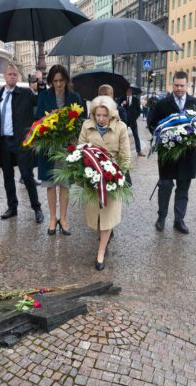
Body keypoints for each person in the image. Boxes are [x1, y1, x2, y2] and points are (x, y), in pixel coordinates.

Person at [0, 64, 44, 224]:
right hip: (3, 143)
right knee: (8, 177)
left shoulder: (25, 93)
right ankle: (12, 207)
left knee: (27, 176)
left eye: (15, 75)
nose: (12, 77)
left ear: (17, 77)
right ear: (4, 76)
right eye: (9, 74)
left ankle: (37, 208)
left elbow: (42, 100)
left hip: (21, 142)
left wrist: (40, 82)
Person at [149, 71, 196, 234]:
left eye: (182, 85)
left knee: (183, 187)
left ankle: (179, 220)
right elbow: (153, 125)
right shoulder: (162, 104)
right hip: (167, 154)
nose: (179, 88)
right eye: (176, 85)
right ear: (172, 85)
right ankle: (161, 217)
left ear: (187, 86)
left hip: (188, 155)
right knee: (165, 185)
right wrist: (162, 136)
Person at [78, 96, 131, 270]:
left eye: (104, 115)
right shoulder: (87, 126)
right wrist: (82, 174)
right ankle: (103, 238)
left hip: (111, 178)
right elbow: (80, 150)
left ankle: (100, 254)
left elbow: (125, 156)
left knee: (107, 217)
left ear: (111, 115)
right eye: (98, 114)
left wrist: (119, 175)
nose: (101, 118)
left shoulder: (121, 128)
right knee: (97, 217)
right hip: (91, 177)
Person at [35, 64, 83, 236]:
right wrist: (49, 117)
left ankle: (63, 218)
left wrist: (69, 118)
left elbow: (81, 121)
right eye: (55, 81)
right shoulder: (43, 96)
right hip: (49, 146)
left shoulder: (75, 97)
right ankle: (52, 218)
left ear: (66, 80)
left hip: (67, 146)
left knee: (64, 184)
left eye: (61, 80)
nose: (58, 84)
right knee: (50, 184)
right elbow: (37, 119)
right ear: (50, 82)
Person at [120, 87, 144, 156]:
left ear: (132, 92)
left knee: (136, 135)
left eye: (130, 91)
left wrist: (135, 117)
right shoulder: (122, 98)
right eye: (128, 91)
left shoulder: (136, 100)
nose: (129, 92)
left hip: (133, 121)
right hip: (124, 120)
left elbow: (139, 111)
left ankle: (139, 151)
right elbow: (118, 107)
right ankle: (122, 151)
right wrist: (122, 104)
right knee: (122, 136)